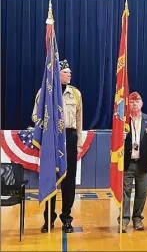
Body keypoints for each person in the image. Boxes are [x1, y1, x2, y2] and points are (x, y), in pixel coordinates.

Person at [32, 60, 83, 233]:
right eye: (66, 72)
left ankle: (67, 218)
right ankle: (48, 218)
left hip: (69, 137)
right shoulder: (45, 92)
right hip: (51, 139)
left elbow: (79, 120)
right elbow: (35, 116)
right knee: (51, 179)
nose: (70, 74)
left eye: (70, 72)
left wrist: (79, 143)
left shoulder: (75, 94)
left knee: (69, 182)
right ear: (57, 74)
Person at [118, 91, 147, 233]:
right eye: (131, 102)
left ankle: (137, 219)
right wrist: (120, 137)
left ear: (142, 104)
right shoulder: (121, 121)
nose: (134, 104)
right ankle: (123, 220)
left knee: (142, 193)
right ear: (127, 104)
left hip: (145, 163)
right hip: (127, 163)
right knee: (125, 193)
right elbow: (114, 144)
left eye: (137, 101)